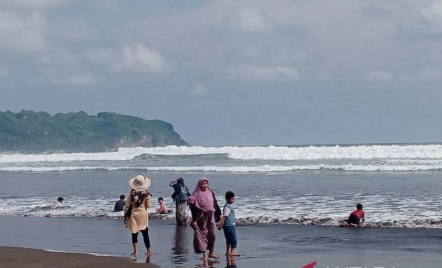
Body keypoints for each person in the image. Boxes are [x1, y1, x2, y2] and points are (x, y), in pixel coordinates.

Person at [188, 177, 221, 261]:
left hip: (211, 215)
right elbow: (194, 208)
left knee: (213, 234)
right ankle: (204, 254)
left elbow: (215, 203)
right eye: (203, 183)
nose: (205, 185)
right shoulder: (196, 195)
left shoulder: (210, 192)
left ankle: (211, 253)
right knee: (203, 234)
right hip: (202, 217)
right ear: (199, 184)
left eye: (206, 183)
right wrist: (194, 220)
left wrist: (219, 213)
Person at [124, 174, 153, 261]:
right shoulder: (146, 194)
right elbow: (149, 205)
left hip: (134, 215)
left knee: (134, 234)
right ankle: (149, 251)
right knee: (145, 234)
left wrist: (126, 214)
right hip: (143, 215)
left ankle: (136, 251)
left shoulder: (132, 192)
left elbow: (128, 204)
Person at [218, 191, 240, 256]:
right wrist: (221, 224)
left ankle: (228, 252)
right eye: (232, 199)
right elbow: (225, 216)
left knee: (228, 239)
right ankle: (232, 252)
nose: (233, 200)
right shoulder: (228, 206)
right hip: (230, 225)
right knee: (233, 239)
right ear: (227, 199)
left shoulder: (227, 206)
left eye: (233, 198)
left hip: (227, 225)